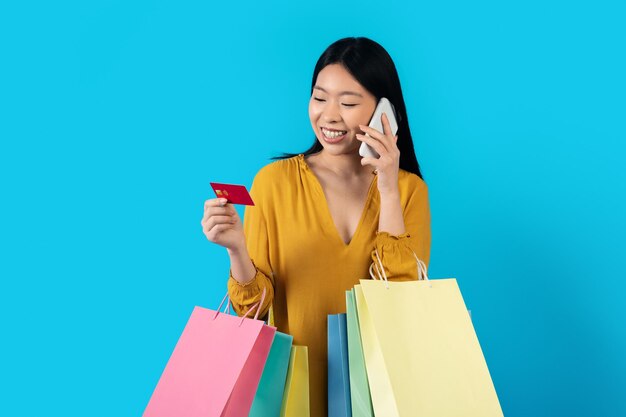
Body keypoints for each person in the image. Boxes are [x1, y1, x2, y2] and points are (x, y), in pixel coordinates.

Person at [201, 36, 431, 417]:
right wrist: (236, 249)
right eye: (320, 97)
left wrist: (388, 187)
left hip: (378, 394)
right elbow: (251, 313)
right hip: (292, 393)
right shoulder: (273, 183)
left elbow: (402, 303)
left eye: (349, 102)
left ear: (385, 112)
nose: (329, 115)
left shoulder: (408, 191)